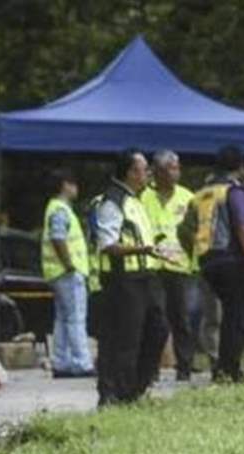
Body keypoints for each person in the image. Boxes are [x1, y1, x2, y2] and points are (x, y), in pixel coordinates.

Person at [94, 150, 170, 405]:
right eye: (144, 169)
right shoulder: (112, 202)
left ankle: (136, 387)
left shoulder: (136, 200)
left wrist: (152, 248)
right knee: (125, 338)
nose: (148, 173)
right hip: (123, 279)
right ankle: (115, 393)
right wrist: (143, 249)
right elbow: (108, 244)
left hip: (145, 275)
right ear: (130, 172)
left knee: (157, 330)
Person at [195, 146, 244, 382]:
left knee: (228, 315)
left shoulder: (203, 194)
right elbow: (243, 226)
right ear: (240, 166)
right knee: (239, 316)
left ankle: (224, 367)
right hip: (233, 259)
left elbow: (184, 229)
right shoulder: (234, 192)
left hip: (208, 260)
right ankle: (229, 369)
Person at [140, 150, 201, 382]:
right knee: (156, 319)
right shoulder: (143, 197)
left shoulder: (188, 197)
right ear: (156, 171)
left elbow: (198, 231)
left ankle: (184, 367)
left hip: (180, 266)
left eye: (177, 168)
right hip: (153, 265)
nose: (176, 172)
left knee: (182, 319)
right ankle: (151, 368)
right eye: (170, 168)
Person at [40, 169, 93, 379]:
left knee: (62, 319)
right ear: (65, 185)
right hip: (67, 272)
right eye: (73, 184)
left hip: (57, 272)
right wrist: (70, 264)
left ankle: (61, 362)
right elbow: (58, 237)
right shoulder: (61, 210)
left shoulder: (54, 208)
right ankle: (82, 363)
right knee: (76, 319)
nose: (76, 189)